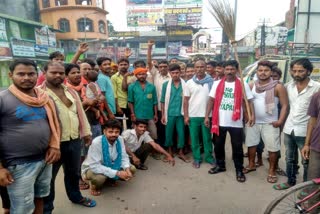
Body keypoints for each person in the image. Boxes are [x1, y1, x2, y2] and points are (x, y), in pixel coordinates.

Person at [0, 59, 60, 213]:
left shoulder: (45, 98)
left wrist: (55, 146)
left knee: (40, 197)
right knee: (22, 208)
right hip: (18, 163)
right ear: (10, 75)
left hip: (44, 159)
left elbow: (55, 125)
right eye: (21, 74)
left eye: (31, 74)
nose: (27, 78)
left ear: (37, 75)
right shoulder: (3, 99)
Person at [40, 62, 96, 212]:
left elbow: (80, 113)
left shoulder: (70, 91)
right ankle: (47, 208)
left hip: (74, 139)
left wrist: (86, 132)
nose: (58, 75)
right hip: (53, 144)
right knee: (48, 178)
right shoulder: (39, 93)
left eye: (61, 73)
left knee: (73, 173)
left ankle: (76, 197)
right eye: (53, 72)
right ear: (44, 72)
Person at [274, 58, 320, 190]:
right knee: (290, 158)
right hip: (289, 129)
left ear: (308, 71)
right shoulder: (288, 86)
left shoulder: (317, 87)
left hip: (307, 130)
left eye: (301, 71)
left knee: (307, 162)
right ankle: (291, 181)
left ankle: (306, 188)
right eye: (294, 71)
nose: (297, 74)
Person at [205, 60, 254, 183]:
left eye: (232, 69)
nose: (229, 71)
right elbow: (211, 100)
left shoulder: (243, 84)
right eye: (227, 69)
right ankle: (220, 166)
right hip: (219, 121)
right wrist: (206, 116)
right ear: (224, 70)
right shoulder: (217, 84)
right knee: (218, 146)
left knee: (237, 148)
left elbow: (249, 101)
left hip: (236, 122)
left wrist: (251, 115)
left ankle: (239, 169)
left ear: (237, 71)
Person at [244, 61, 288, 184]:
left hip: (270, 123)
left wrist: (280, 121)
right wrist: (248, 116)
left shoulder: (278, 86)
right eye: (260, 70)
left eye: (266, 70)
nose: (263, 73)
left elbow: (285, 105)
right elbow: (246, 102)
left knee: (273, 149)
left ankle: (272, 171)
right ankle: (251, 164)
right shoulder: (252, 85)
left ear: (271, 72)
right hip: (254, 122)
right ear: (257, 72)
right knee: (251, 144)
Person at [81, 120, 135, 196]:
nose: (114, 134)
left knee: (132, 169)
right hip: (91, 168)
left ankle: (110, 179)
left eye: (117, 132)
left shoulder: (120, 139)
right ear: (104, 131)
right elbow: (95, 166)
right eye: (110, 132)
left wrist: (127, 169)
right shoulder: (96, 142)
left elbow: (123, 156)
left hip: (111, 165)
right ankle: (91, 184)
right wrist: (117, 173)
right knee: (99, 179)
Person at [183, 59, 215, 169]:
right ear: (194, 69)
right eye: (197, 67)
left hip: (207, 116)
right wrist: (186, 116)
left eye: (202, 67)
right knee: (194, 138)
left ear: (206, 68)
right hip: (193, 116)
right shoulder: (189, 83)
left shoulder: (211, 82)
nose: (199, 69)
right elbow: (186, 101)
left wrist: (208, 115)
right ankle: (197, 158)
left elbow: (212, 99)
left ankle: (209, 157)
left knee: (207, 138)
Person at [161, 63, 189, 162]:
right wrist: (163, 115)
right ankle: (169, 152)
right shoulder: (165, 85)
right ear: (170, 73)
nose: (175, 75)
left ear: (180, 73)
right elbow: (163, 101)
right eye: (173, 73)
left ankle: (181, 152)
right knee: (168, 133)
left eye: (177, 72)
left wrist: (186, 115)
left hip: (181, 114)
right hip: (169, 114)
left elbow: (187, 100)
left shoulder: (185, 84)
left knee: (181, 133)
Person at [128, 68, 158, 141]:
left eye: (143, 74)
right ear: (136, 76)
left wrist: (156, 114)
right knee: (137, 134)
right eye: (139, 74)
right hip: (138, 115)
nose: (142, 76)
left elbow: (155, 102)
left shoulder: (152, 87)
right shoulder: (132, 86)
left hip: (149, 115)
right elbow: (130, 101)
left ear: (146, 75)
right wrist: (132, 114)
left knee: (153, 133)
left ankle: (151, 150)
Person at [301, 90, 320, 181]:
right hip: (317, 146)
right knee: (313, 181)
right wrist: (307, 144)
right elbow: (312, 121)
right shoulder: (317, 96)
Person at [111, 58, 133, 128]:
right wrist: (117, 107)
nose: (123, 66)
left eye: (125, 64)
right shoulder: (114, 77)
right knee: (119, 125)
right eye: (121, 64)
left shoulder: (132, 75)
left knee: (130, 125)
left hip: (131, 104)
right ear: (118, 66)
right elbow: (114, 93)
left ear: (128, 65)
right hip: (120, 104)